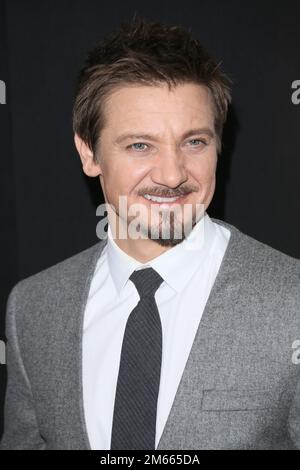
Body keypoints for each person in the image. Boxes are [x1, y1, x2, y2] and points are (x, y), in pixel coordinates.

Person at [0, 16, 299, 450]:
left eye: (194, 142)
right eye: (141, 145)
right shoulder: (33, 308)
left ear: (219, 145)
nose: (173, 174)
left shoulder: (291, 300)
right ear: (89, 152)